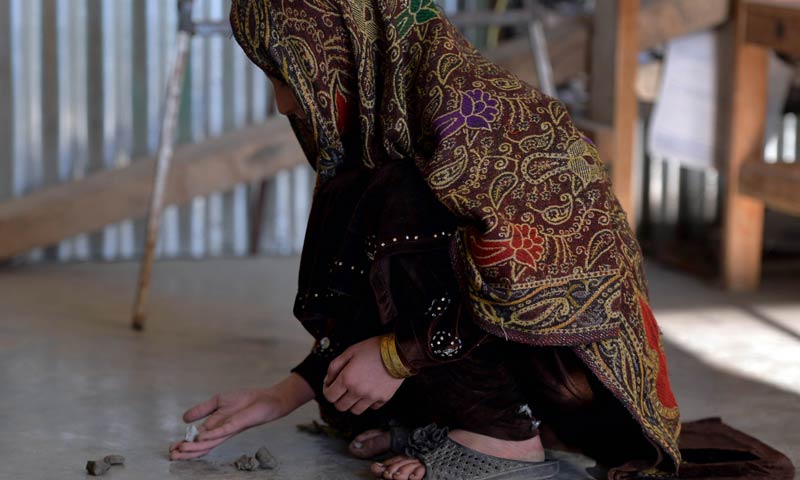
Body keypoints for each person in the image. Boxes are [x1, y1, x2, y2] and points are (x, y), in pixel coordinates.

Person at [169, 1, 682, 479]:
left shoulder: (474, 115)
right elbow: (364, 286)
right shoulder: (388, 125)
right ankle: (449, 420)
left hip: (575, 381)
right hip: (505, 359)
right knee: (371, 189)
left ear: (347, 47)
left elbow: (539, 290)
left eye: (286, 76)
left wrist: (399, 356)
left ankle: (502, 441)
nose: (283, 103)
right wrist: (283, 394)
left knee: (400, 194)